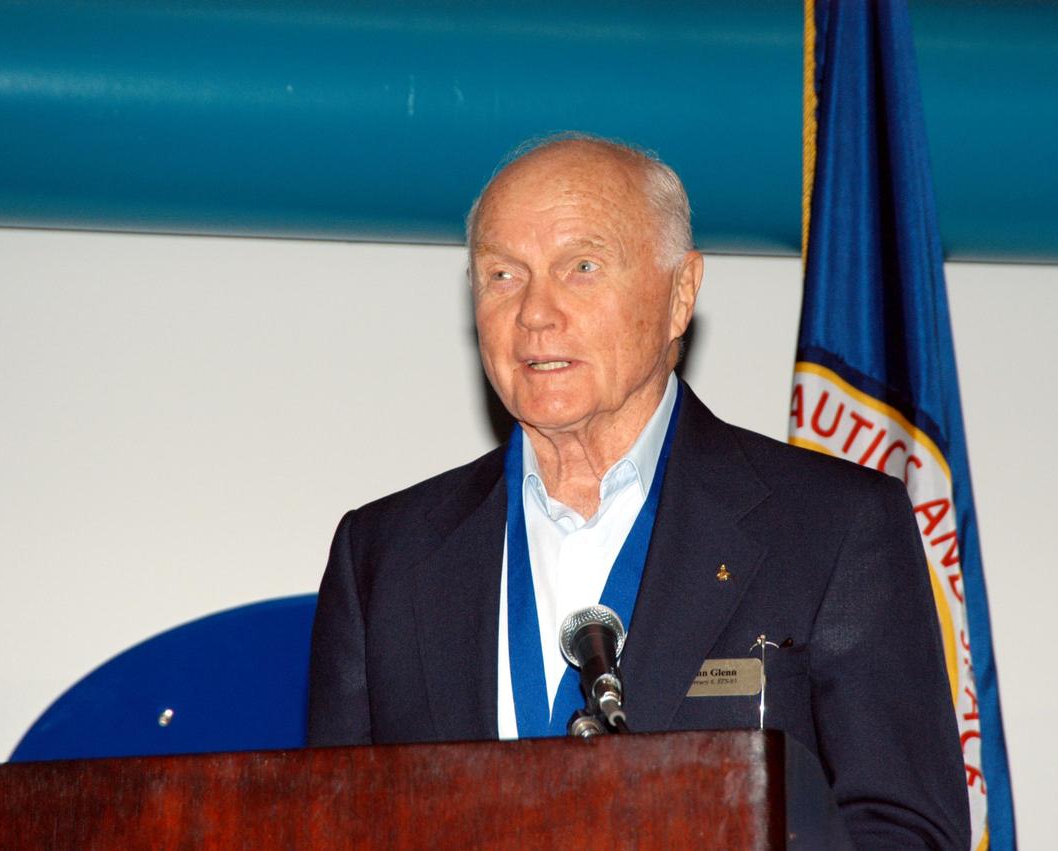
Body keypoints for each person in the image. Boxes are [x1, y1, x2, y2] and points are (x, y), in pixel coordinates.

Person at [308, 133, 970, 848]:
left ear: (680, 294)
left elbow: (903, 831)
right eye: (502, 275)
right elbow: (327, 824)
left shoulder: (833, 528)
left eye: (582, 267)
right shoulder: (383, 555)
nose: (535, 312)